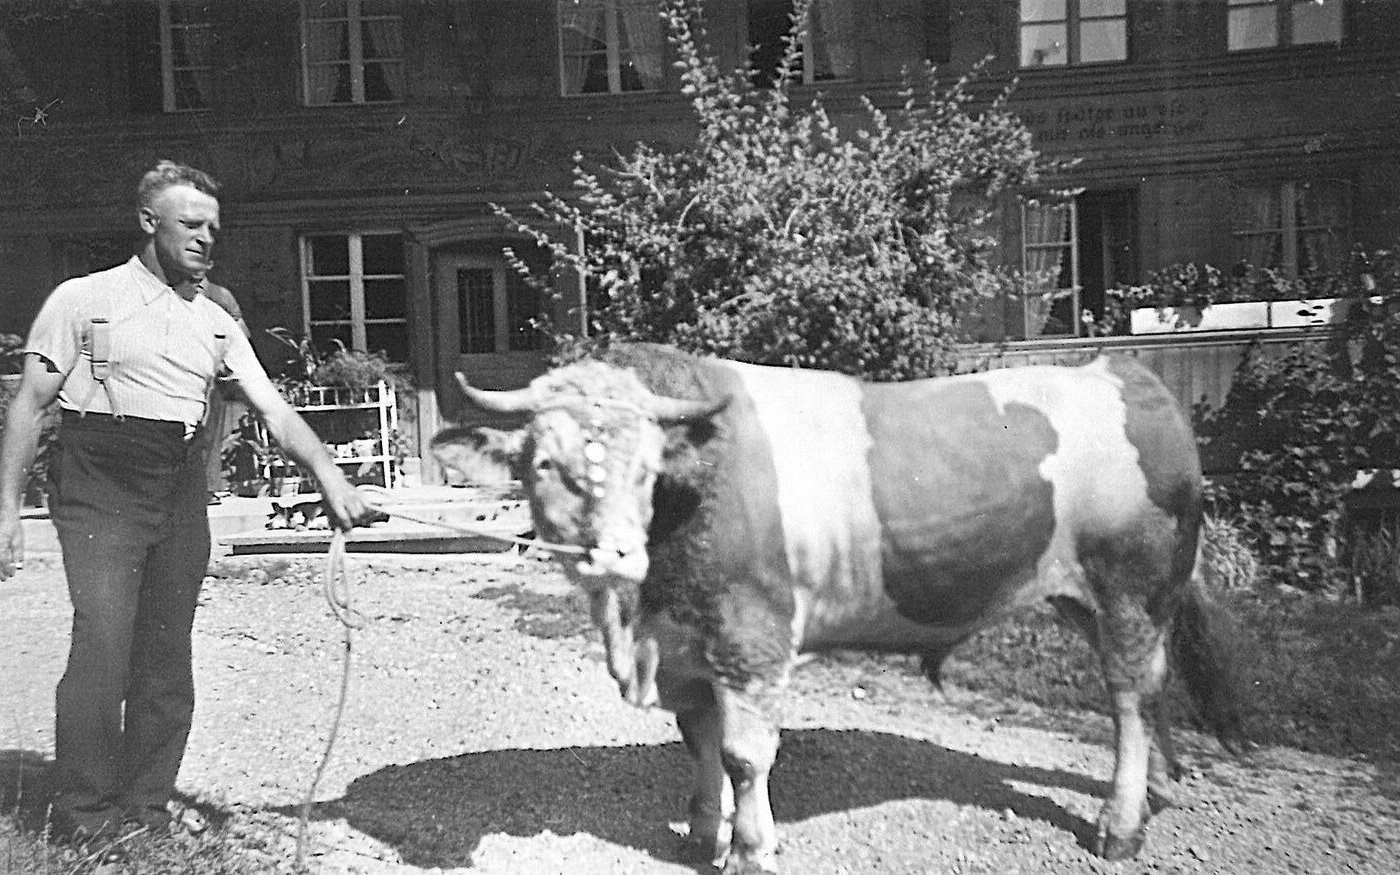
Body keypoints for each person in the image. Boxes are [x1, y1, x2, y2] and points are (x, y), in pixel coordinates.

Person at [0, 160, 373, 845]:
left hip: (177, 482)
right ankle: (85, 815)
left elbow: (274, 408)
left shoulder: (215, 320)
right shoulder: (81, 297)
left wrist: (329, 473)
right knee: (103, 644)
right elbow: (28, 404)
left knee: (167, 655)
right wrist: (4, 516)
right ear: (149, 221)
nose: (206, 238)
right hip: (99, 474)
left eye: (214, 228)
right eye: (191, 224)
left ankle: (145, 808)